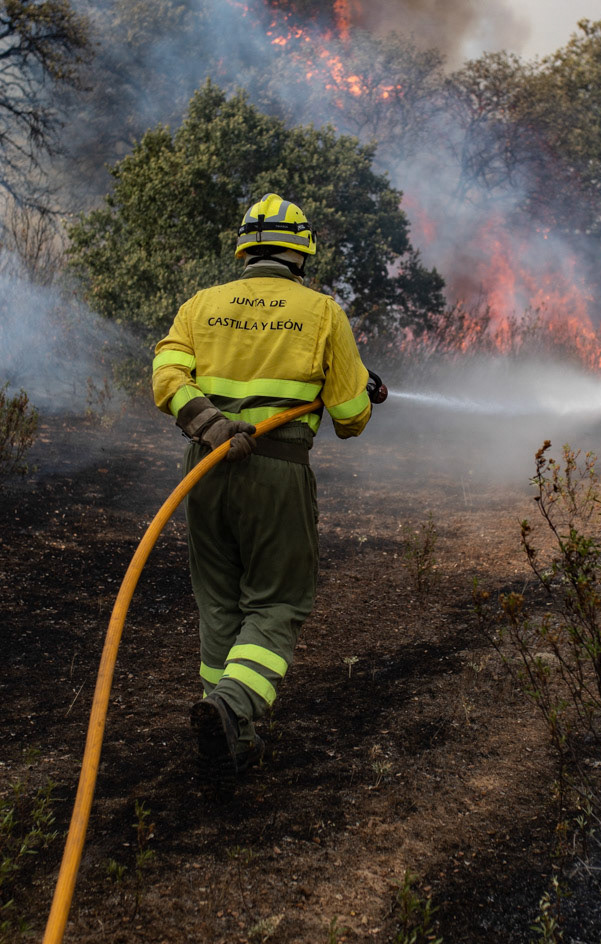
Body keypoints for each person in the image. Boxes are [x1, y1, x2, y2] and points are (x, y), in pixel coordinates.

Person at [151, 193, 382, 774]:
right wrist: (354, 388)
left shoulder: (201, 305)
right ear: (301, 251)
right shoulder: (322, 312)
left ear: (245, 248)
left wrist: (208, 422)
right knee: (277, 601)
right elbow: (351, 417)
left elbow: (166, 372)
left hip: (204, 470)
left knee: (219, 601)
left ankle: (231, 733)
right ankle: (232, 706)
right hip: (277, 471)